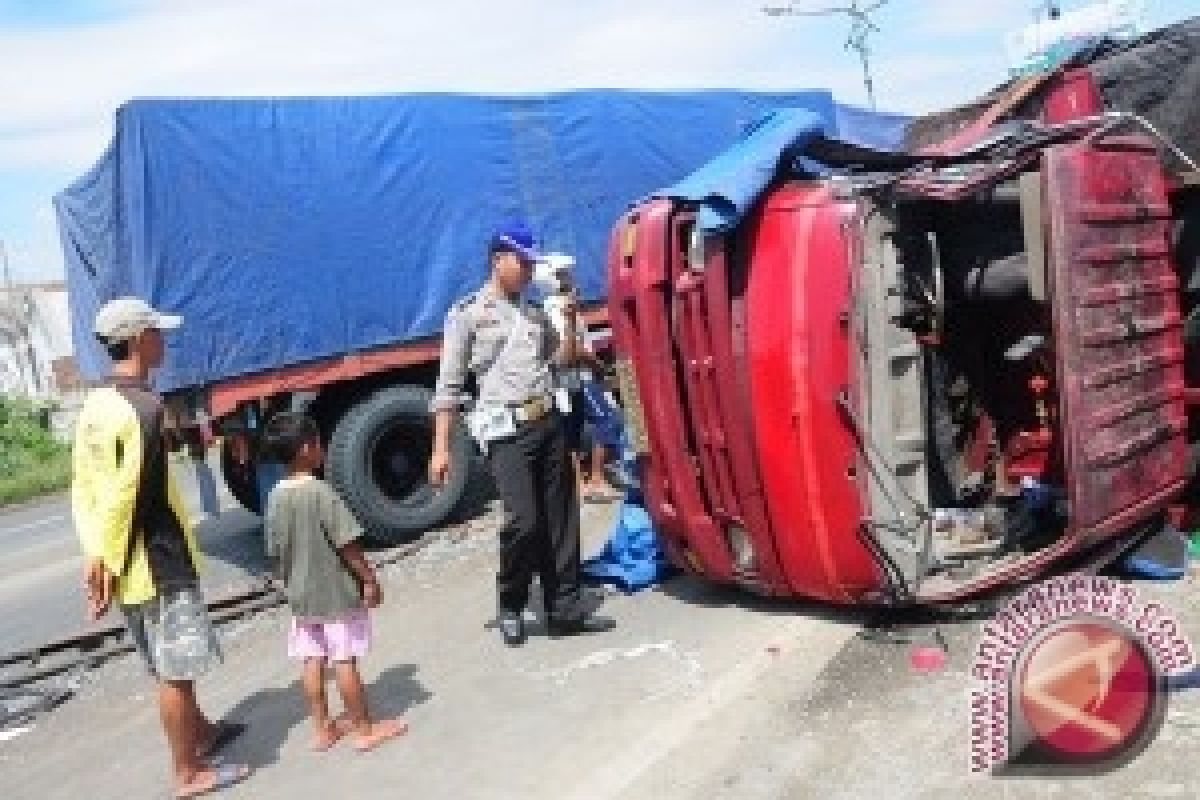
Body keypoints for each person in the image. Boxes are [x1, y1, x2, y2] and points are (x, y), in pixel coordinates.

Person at [71, 296, 250, 798]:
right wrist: (108, 559)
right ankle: (188, 772)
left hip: (125, 562)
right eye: (156, 331)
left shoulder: (95, 406)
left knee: (165, 659)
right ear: (135, 340)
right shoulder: (144, 410)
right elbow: (129, 494)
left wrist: (97, 557)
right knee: (176, 668)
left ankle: (203, 733)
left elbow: (85, 487)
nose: (163, 340)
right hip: (155, 558)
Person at [429, 222, 614, 646]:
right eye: (523, 261)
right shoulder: (468, 314)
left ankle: (563, 608)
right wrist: (440, 449)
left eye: (533, 262)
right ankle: (511, 602)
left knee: (561, 516)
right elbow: (448, 388)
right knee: (523, 521)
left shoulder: (533, 313)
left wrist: (567, 321)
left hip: (546, 420)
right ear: (499, 261)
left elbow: (563, 361)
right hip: (505, 430)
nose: (530, 269)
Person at [261, 412, 406, 752]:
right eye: (318, 443)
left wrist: (290, 581)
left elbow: (275, 551)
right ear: (305, 449)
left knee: (311, 660)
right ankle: (364, 729)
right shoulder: (321, 493)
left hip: (301, 597)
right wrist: (369, 579)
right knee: (344, 659)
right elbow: (347, 544)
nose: (322, 448)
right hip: (335, 593)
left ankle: (323, 728)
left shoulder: (275, 497)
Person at [533, 252, 621, 503]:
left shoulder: (552, 307)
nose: (569, 277)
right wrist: (597, 364)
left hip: (566, 382)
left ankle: (579, 486)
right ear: (552, 279)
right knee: (607, 420)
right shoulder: (559, 309)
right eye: (563, 274)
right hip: (578, 377)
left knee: (570, 432)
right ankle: (596, 479)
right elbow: (570, 350)